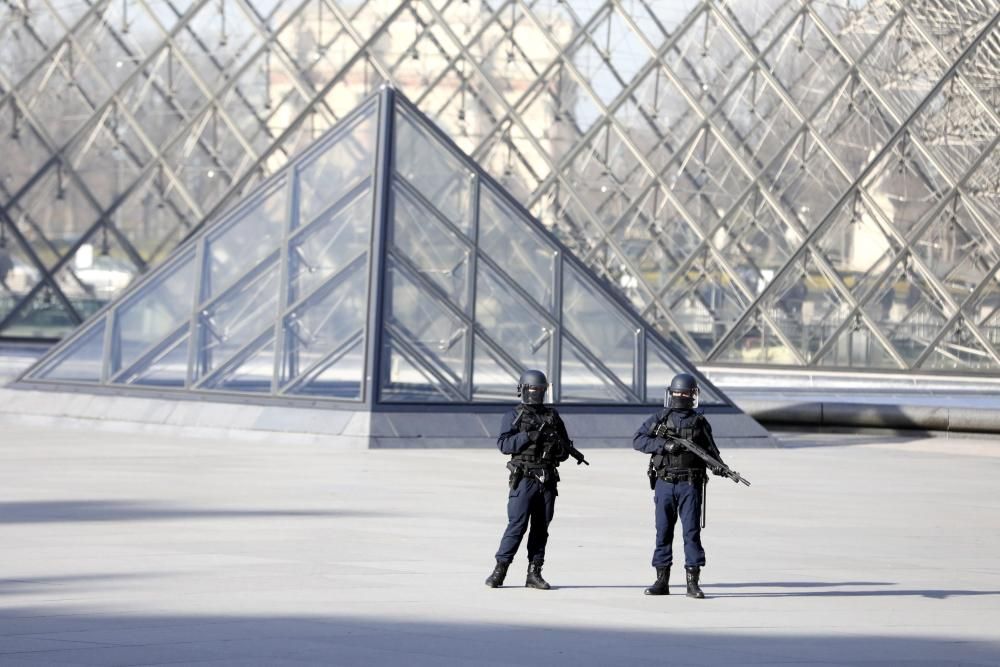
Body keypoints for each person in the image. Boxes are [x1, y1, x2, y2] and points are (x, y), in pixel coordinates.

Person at [484, 369, 588, 590]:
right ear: (522, 389)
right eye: (532, 389)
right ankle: (499, 571)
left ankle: (534, 572)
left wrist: (555, 446)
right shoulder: (513, 415)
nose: (536, 393)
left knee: (541, 527)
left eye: (540, 389)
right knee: (516, 525)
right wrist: (528, 436)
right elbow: (504, 445)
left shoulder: (552, 416)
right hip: (524, 478)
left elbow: (564, 450)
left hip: (547, 479)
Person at [633, 372, 728, 599]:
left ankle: (692, 582)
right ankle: (661, 580)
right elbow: (638, 440)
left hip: (690, 484)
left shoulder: (700, 422)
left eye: (685, 393)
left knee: (691, 533)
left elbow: (711, 452)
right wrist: (665, 446)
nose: (683, 396)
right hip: (665, 482)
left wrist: (720, 467)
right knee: (663, 532)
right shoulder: (660, 419)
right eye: (682, 393)